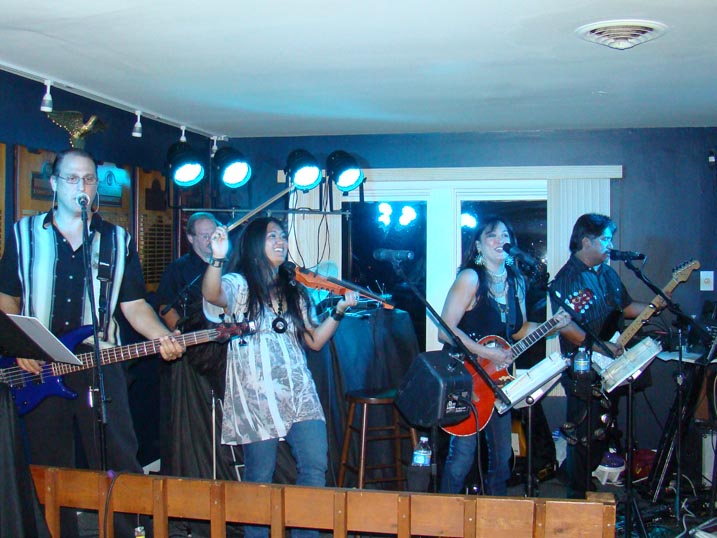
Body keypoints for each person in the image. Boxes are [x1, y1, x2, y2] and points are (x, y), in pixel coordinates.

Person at [0, 148, 185, 535]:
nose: (80, 186)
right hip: (39, 364)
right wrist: (19, 346)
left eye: (88, 179)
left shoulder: (118, 240)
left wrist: (163, 337)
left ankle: (127, 531)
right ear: (54, 183)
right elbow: (7, 298)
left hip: (99, 361)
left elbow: (134, 305)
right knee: (49, 465)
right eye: (72, 178)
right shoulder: (23, 233)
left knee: (119, 457)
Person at [201, 216, 358, 538]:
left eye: (283, 236)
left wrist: (339, 311)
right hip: (256, 396)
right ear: (254, 243)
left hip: (299, 391)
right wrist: (217, 257)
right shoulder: (239, 284)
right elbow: (213, 294)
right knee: (260, 477)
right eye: (272, 236)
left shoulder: (294, 290)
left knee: (314, 467)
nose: (281, 242)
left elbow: (315, 340)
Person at [438, 216, 568, 495]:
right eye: (492, 235)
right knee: (462, 457)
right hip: (468, 377)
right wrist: (487, 352)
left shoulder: (516, 281)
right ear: (478, 245)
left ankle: (495, 513)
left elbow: (518, 330)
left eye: (505, 235)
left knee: (502, 458)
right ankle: (443, 513)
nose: (500, 240)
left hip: (498, 380)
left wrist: (552, 325)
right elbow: (445, 331)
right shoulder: (471, 278)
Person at [550, 213, 649, 499]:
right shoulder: (566, 280)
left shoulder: (607, 274)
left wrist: (656, 306)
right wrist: (600, 347)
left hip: (610, 364)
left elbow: (624, 307)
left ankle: (572, 474)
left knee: (604, 430)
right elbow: (566, 327)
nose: (610, 245)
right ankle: (577, 494)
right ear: (586, 241)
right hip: (583, 367)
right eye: (605, 239)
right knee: (583, 434)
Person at [156, 211, 238, 537]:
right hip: (191, 353)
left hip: (227, 350)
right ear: (190, 238)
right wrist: (182, 332)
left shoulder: (230, 263)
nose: (208, 240)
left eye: (212, 233)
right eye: (202, 235)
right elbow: (164, 306)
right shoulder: (178, 269)